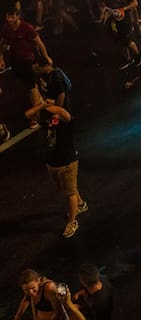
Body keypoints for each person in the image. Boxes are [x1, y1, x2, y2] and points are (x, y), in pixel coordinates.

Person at [25, 92, 87, 238]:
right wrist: (42, 106)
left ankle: (72, 221)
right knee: (66, 189)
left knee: (69, 193)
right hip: (52, 162)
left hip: (66, 162)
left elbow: (62, 112)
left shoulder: (67, 122)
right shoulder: (45, 119)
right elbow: (28, 114)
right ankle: (80, 204)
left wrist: (51, 106)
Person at [16, 270, 87, 320]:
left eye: (33, 288)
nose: (31, 292)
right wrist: (17, 317)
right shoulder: (30, 291)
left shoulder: (49, 288)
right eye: (26, 290)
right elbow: (26, 299)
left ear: (38, 281)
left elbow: (58, 313)